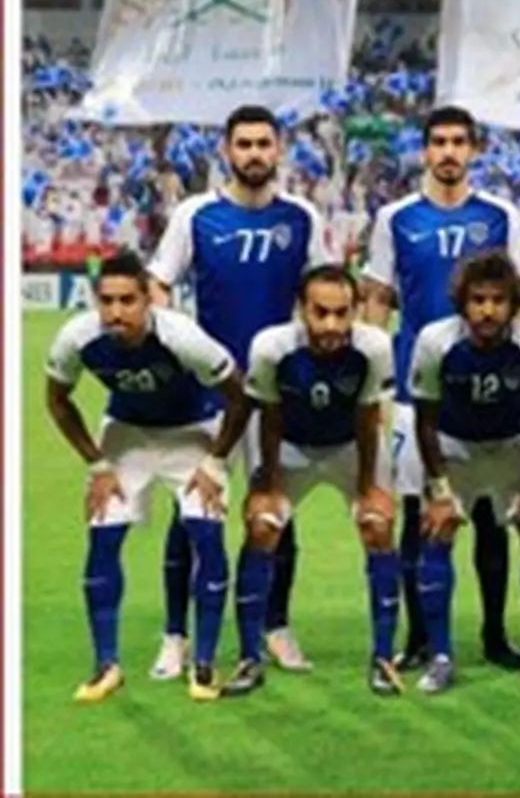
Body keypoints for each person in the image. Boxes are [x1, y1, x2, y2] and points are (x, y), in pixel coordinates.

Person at [148, 104, 330, 680]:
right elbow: (159, 285)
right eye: (244, 144)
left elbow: (325, 292)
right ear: (227, 151)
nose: (254, 154)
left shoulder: (302, 217)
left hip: (278, 392)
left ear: (279, 151)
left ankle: (275, 626)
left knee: (276, 508)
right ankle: (175, 636)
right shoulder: (195, 214)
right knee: (190, 511)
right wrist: (180, 345)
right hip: (209, 393)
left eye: (263, 144)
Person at [362, 105, 520, 671]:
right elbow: (378, 297)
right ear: (425, 150)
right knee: (419, 516)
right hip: (417, 392)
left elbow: (517, 296)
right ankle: (420, 637)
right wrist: (374, 376)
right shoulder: (396, 219)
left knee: (489, 518)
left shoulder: (501, 216)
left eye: (459, 142)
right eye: (439, 142)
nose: (449, 152)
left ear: (474, 149)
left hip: (487, 388)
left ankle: (495, 634)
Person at [45, 252, 249, 703]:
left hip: (192, 432)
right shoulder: (77, 338)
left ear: (147, 301)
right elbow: (57, 400)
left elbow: (240, 396)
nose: (116, 312)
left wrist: (215, 462)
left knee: (207, 535)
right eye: (107, 301)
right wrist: (97, 464)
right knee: (103, 536)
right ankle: (106, 666)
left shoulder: (182, 337)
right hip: (127, 433)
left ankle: (203, 664)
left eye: (127, 301)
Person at [220, 266, 401, 697]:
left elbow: (368, 415)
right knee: (261, 527)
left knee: (378, 527)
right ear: (302, 310)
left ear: (356, 310)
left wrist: (369, 487)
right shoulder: (271, 347)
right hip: (289, 445)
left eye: (342, 313)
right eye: (321, 312)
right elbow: (269, 415)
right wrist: (267, 485)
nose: (332, 325)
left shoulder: (374, 347)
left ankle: (382, 658)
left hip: (348, 445)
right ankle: (249, 658)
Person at [406, 252, 520, 695]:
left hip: (513, 446)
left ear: (514, 303)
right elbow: (425, 420)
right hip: (455, 447)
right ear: (462, 303)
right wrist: (439, 490)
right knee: (438, 530)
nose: (487, 310)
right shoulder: (435, 341)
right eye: (477, 300)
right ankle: (440, 656)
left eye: (497, 300)